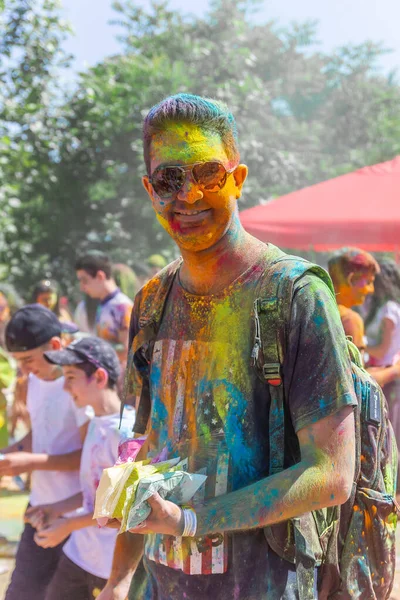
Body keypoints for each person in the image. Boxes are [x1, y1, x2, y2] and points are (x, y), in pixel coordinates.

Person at [98, 94, 357, 600]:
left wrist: (192, 519)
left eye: (208, 175)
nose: (188, 195)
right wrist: (119, 578)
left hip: (263, 584)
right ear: (151, 190)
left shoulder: (294, 295)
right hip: (164, 584)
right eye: (169, 179)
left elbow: (331, 473)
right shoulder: (151, 301)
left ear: (238, 179)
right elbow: (150, 447)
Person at [25, 337, 133, 600]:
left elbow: (120, 508)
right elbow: (93, 493)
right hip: (79, 555)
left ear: (98, 377)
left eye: (71, 377)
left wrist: (68, 524)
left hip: (110, 564)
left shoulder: (126, 434)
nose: (65, 387)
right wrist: (55, 509)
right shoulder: (96, 423)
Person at [1, 304, 92, 600]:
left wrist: (31, 462)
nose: (24, 370)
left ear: (55, 345)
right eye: (17, 362)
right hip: (40, 510)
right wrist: (9, 454)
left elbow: (93, 460)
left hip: (79, 519)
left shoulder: (80, 382)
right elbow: (40, 435)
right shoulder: (36, 379)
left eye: (28, 360)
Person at [328, 248, 400, 388]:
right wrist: (395, 371)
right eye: (368, 282)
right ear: (351, 279)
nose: (371, 289)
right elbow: (357, 383)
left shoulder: (322, 309)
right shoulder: (350, 320)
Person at [75, 251, 133, 365]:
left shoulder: (122, 306)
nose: (82, 287)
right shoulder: (104, 304)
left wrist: (90, 348)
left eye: (84, 280)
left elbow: (128, 350)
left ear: (100, 276)